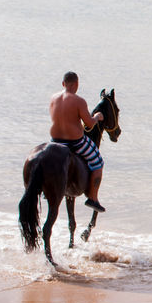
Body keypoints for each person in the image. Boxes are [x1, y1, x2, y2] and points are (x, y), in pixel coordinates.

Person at [49, 71, 106, 212]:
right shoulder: (79, 101)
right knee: (98, 161)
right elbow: (90, 124)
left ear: (63, 84)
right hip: (74, 142)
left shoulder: (53, 98)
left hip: (55, 141)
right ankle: (92, 198)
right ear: (76, 84)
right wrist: (97, 117)